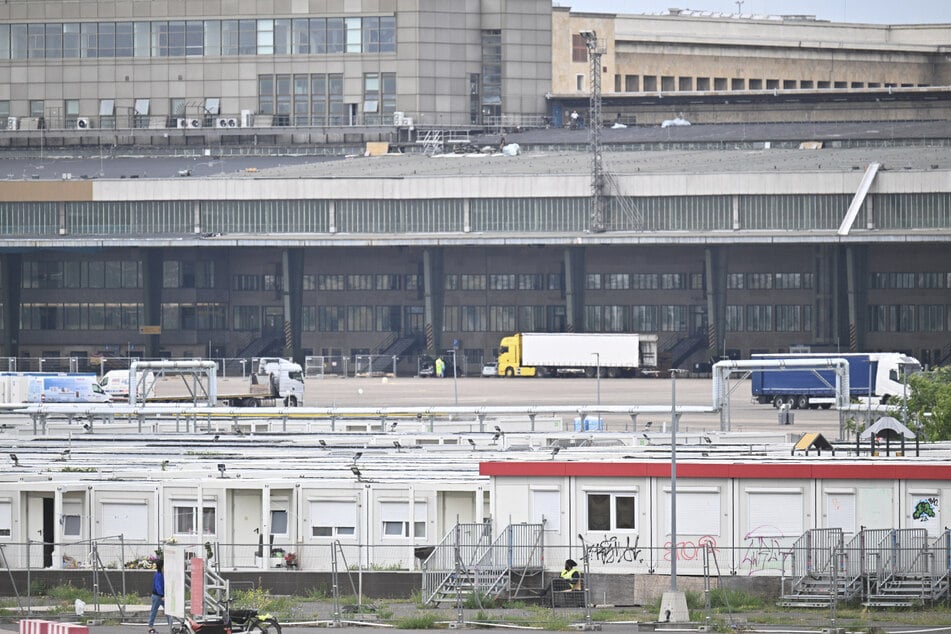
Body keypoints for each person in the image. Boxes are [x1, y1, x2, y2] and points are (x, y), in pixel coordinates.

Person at [148, 559, 171, 633]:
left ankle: (171, 626)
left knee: (168, 611)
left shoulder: (161, 574)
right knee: (154, 611)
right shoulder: (158, 575)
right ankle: (150, 627)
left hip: (161, 596)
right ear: (161, 566)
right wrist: (162, 595)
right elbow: (158, 586)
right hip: (158, 596)